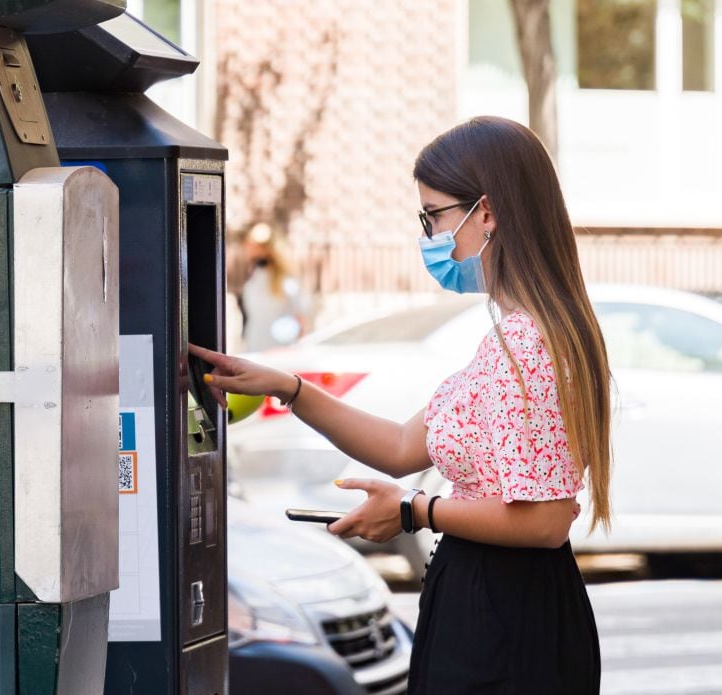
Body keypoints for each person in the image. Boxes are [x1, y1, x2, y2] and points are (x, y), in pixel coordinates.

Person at [191, 116, 610, 694]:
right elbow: (400, 448)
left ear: (486, 214)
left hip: (504, 618)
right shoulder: (519, 333)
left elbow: (544, 519)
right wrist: (289, 387)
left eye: (434, 215)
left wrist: (415, 511)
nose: (431, 236)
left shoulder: (528, 343)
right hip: (496, 603)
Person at [239, 222, 307, 351]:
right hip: (255, 345)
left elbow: (300, 317)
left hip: (279, 350)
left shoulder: (286, 281)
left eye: (255, 245)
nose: (249, 248)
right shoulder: (254, 277)